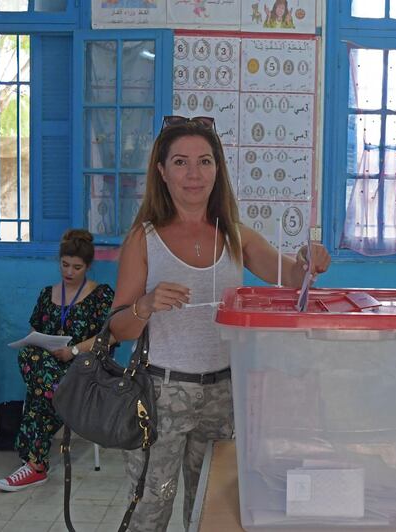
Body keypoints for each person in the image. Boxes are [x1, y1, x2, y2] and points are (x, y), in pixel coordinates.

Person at [110, 115, 330, 531]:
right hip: (161, 394)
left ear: (218, 169)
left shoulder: (236, 235)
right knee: (148, 513)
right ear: (161, 170)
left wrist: (310, 259)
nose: (194, 174)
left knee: (212, 512)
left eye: (205, 161)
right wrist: (147, 305)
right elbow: (118, 328)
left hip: (225, 394)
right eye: (180, 162)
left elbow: (293, 277)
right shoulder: (144, 239)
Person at [0, 229, 114, 491]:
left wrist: (72, 351)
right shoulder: (47, 293)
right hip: (48, 367)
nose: (69, 272)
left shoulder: (101, 294)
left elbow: (111, 337)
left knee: (38, 396)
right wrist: (41, 343)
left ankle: (35, 465)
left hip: (84, 366)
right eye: (64, 265)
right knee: (29, 354)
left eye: (76, 267)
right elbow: (33, 332)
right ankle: (62, 399)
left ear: (88, 266)